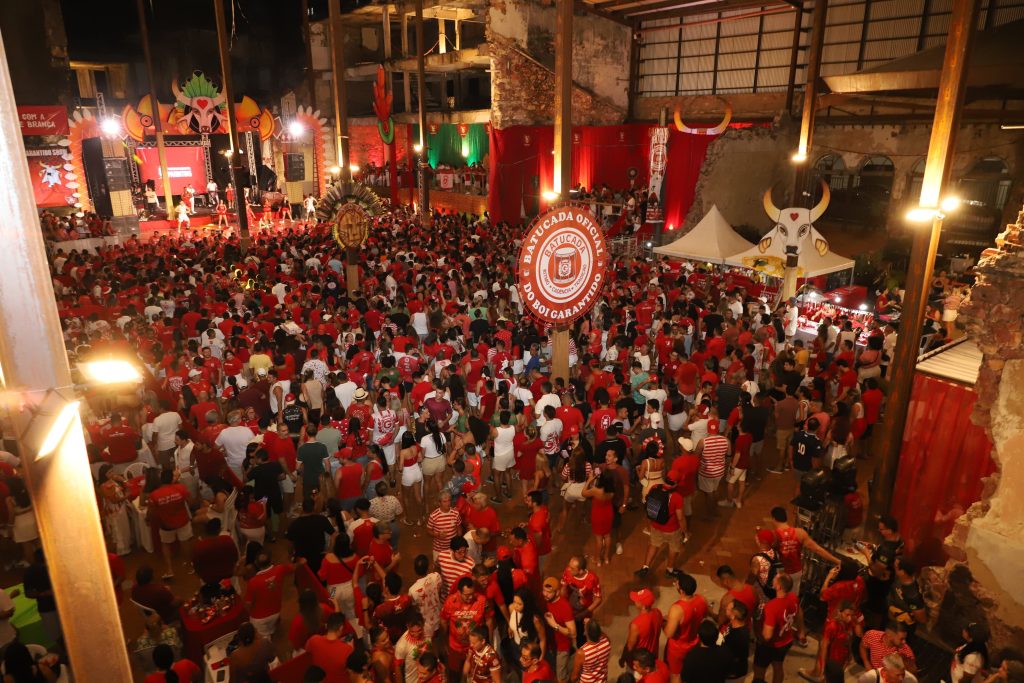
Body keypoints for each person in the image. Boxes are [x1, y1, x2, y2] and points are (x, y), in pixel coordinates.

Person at [439, 577, 494, 683]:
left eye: (472, 593)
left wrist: (489, 642)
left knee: (475, 676)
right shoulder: (450, 601)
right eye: (467, 595)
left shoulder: (482, 601)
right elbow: (443, 621)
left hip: (475, 649)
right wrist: (444, 643)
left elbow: (489, 621)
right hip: (455, 648)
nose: (470, 597)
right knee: (454, 677)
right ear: (459, 592)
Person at [754, 573, 803, 683]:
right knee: (778, 667)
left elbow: (767, 636)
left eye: (775, 579)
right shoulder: (793, 597)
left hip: (771, 645)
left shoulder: (772, 606)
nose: (773, 579)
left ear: (779, 587)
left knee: (759, 672)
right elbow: (799, 612)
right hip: (786, 641)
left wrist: (759, 638)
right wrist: (801, 631)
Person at [663, 570, 708, 683]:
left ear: (681, 591)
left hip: (678, 649)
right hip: (694, 643)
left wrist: (663, 622)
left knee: (675, 675)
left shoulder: (676, 609)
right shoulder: (702, 599)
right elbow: (703, 615)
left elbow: (669, 633)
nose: (675, 584)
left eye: (676, 584)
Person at [148, 468, 193, 580]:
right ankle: (189, 566)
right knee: (185, 543)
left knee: (166, 545)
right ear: (171, 479)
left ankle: (169, 570)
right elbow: (191, 502)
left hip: (165, 525)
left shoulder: (154, 494)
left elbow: (152, 513)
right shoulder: (181, 488)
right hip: (183, 522)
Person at [245, 552, 296, 638]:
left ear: (256, 563)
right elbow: (294, 567)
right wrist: (302, 562)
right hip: (276, 612)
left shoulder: (253, 582)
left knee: (263, 640)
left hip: (259, 618)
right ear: (271, 560)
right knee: (271, 629)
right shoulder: (280, 569)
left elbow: (248, 604)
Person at [619, 588, 663, 668]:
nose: (634, 601)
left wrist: (623, 659)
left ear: (643, 605)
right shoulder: (657, 612)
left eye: (637, 600)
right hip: (652, 658)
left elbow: (629, 647)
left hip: (639, 663)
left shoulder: (636, 624)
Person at [306, 613, 355, 683]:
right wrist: (352, 649)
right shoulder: (348, 650)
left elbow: (307, 649)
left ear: (327, 626)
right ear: (341, 628)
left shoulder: (313, 640)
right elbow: (355, 670)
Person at [191, 518, 238, 585]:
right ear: (219, 530)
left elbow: (197, 566)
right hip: (228, 576)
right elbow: (235, 557)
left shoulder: (199, 547)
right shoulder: (227, 540)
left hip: (209, 579)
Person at [719, 601, 751, 683]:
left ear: (733, 616)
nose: (725, 608)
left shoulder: (739, 636)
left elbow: (734, 657)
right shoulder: (733, 625)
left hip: (733, 675)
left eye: (728, 609)